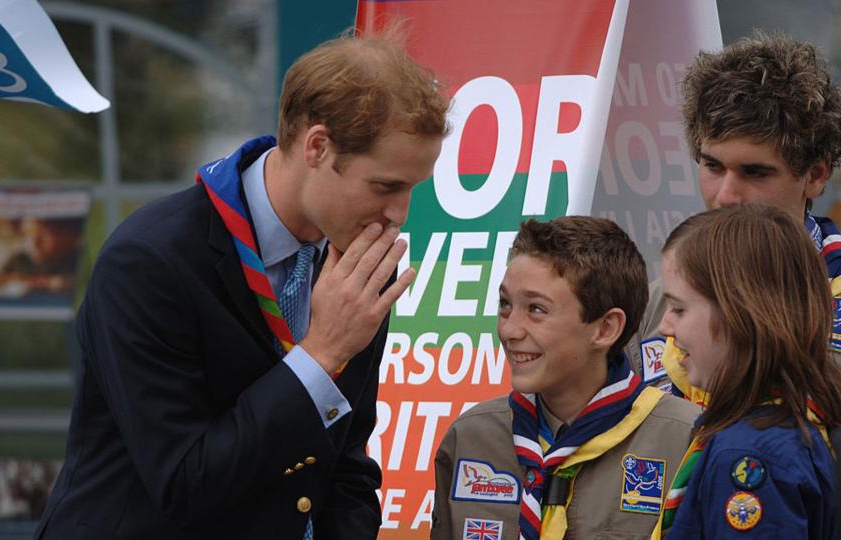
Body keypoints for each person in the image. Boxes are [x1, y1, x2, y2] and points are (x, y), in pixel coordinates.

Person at [34, 32, 449, 539]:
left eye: (412, 189)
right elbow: (186, 484)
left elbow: (345, 468)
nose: (399, 215)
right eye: (385, 187)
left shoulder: (359, 265)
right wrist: (320, 354)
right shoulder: (149, 260)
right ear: (317, 147)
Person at [432, 217, 699, 540]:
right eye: (505, 304)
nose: (510, 329)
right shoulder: (471, 437)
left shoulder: (687, 438)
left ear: (605, 329)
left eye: (536, 309)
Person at [631, 33, 841, 394]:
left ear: (815, 176)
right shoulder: (654, 304)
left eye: (755, 173)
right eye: (712, 166)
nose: (726, 196)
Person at [652, 204, 841, 538]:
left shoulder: (750, 453)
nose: (665, 326)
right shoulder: (801, 417)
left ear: (740, 315)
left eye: (679, 309)